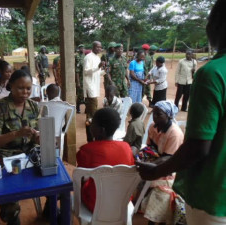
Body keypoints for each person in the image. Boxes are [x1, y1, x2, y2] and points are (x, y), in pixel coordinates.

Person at [137, 1, 226, 224]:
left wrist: (156, 171)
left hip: (213, 196)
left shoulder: (213, 74)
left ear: (216, 26)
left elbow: (198, 147)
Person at [0, 70, 40, 225]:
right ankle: (12, 217)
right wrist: (16, 134)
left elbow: (37, 136)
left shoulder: (33, 107)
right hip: (4, 156)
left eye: (28, 88)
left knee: (54, 180)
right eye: (20, 88)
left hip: (28, 154)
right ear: (11, 87)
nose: (25, 92)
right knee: (10, 205)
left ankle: (50, 212)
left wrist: (39, 137)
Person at [76, 108, 135, 212]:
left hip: (96, 204)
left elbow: (81, 177)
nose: (90, 124)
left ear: (101, 130)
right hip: (122, 202)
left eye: (92, 123)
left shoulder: (86, 150)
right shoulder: (126, 147)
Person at [140, 101, 184, 225]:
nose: (154, 116)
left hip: (171, 169)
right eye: (153, 113)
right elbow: (149, 148)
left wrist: (151, 166)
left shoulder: (174, 133)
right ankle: (140, 206)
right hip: (157, 162)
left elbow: (169, 159)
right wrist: (141, 157)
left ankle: (154, 219)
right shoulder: (153, 127)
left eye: (158, 114)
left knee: (159, 193)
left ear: (168, 115)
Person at [83, 41, 105, 142]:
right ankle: (90, 137)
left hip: (95, 87)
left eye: (100, 47)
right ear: (93, 47)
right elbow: (86, 71)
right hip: (90, 87)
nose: (99, 49)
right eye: (98, 47)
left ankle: (91, 136)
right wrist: (98, 67)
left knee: (91, 112)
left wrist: (104, 71)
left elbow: (98, 73)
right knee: (92, 113)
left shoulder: (97, 58)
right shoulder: (88, 57)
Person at [75, 44, 86, 113]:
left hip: (86, 79)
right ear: (79, 49)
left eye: (83, 48)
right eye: (81, 48)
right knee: (80, 94)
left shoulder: (85, 56)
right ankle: (78, 107)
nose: (82, 49)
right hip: (80, 79)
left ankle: (86, 108)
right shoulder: (77, 57)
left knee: (86, 94)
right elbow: (77, 70)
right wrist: (78, 81)